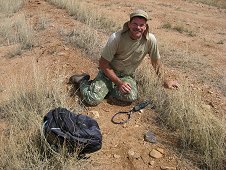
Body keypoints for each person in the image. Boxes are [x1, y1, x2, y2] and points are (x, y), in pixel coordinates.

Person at [69, 9, 179, 106]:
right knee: (92, 99)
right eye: (135, 24)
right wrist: (118, 83)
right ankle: (82, 81)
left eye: (141, 25)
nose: (138, 27)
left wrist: (165, 80)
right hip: (108, 73)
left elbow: (156, 62)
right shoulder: (116, 38)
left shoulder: (150, 40)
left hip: (126, 76)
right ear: (129, 24)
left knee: (131, 97)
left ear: (145, 27)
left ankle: (105, 90)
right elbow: (103, 63)